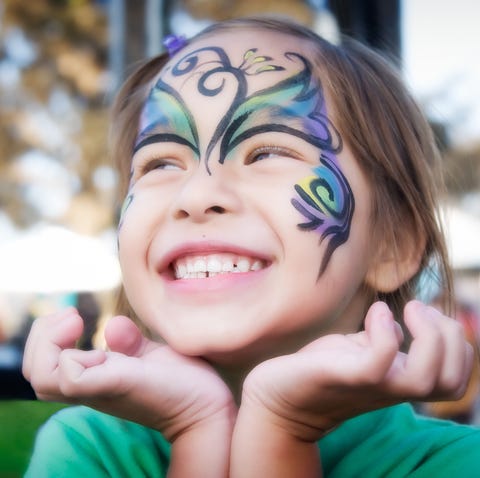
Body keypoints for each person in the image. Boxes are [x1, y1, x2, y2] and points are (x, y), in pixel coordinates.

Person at [22, 17, 479, 477]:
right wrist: (195, 426)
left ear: (392, 245)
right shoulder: (86, 449)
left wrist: (283, 430)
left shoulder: (457, 464)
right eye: (160, 162)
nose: (196, 196)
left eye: (267, 152)